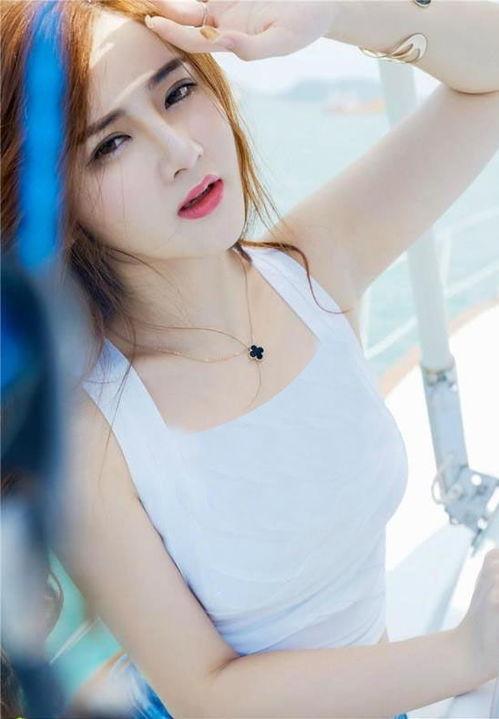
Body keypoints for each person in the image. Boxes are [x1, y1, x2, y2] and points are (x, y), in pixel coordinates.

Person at [2, 1, 499, 717]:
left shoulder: (312, 267)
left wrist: (330, 14)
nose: (180, 149)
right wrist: (466, 653)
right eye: (110, 144)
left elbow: (489, 74)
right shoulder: (92, 429)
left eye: (177, 90)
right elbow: (207, 694)